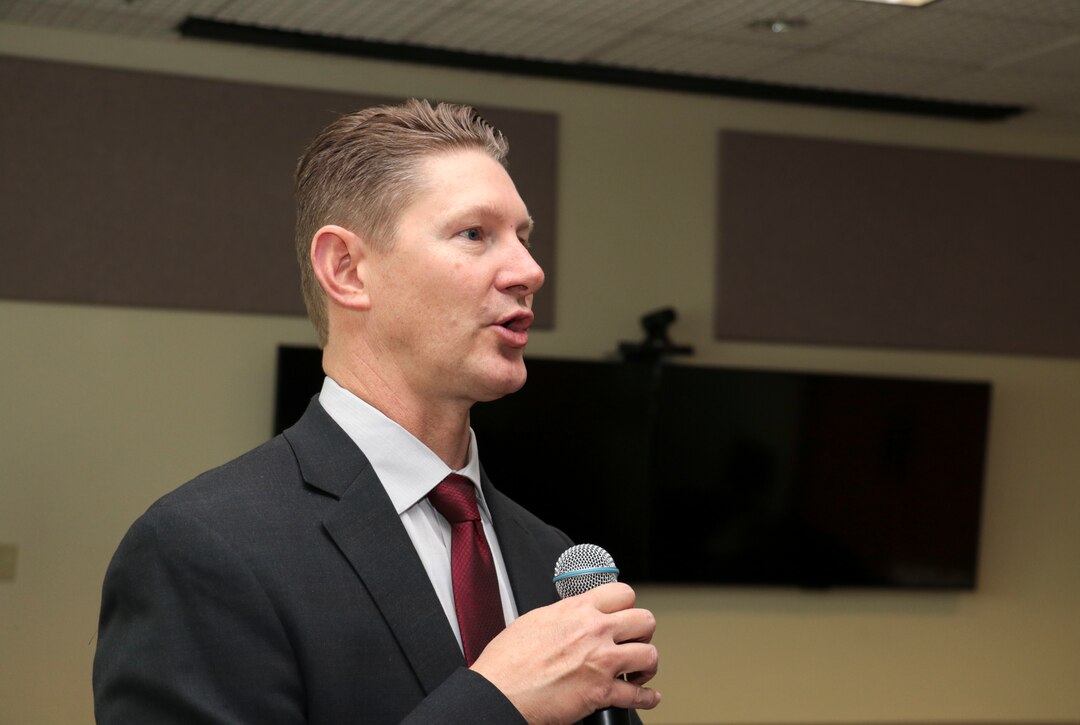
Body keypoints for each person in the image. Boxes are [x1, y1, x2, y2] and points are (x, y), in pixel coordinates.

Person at [93, 98, 660, 724]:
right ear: (347, 269)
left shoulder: (546, 553)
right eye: (475, 234)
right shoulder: (203, 549)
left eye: (524, 238)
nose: (530, 270)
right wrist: (495, 703)